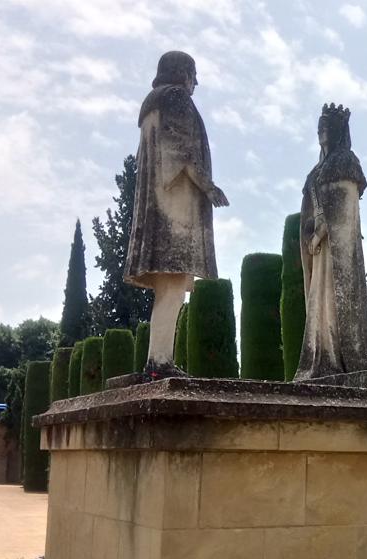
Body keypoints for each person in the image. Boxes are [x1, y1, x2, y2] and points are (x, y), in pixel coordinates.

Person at [126, 50, 228, 374]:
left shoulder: (152, 103)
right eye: (193, 74)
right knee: (173, 287)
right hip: (175, 211)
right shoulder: (176, 98)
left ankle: (156, 361)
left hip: (156, 208)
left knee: (167, 291)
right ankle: (159, 362)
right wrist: (210, 187)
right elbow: (182, 154)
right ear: (183, 73)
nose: (196, 82)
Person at [295, 104, 367, 380]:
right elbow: (310, 210)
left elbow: (343, 211)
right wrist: (310, 233)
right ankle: (320, 358)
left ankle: (336, 358)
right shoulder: (316, 171)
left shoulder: (345, 161)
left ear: (337, 130)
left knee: (334, 298)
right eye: (319, 126)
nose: (321, 131)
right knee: (319, 300)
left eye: (326, 126)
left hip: (335, 249)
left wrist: (320, 233)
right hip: (319, 249)